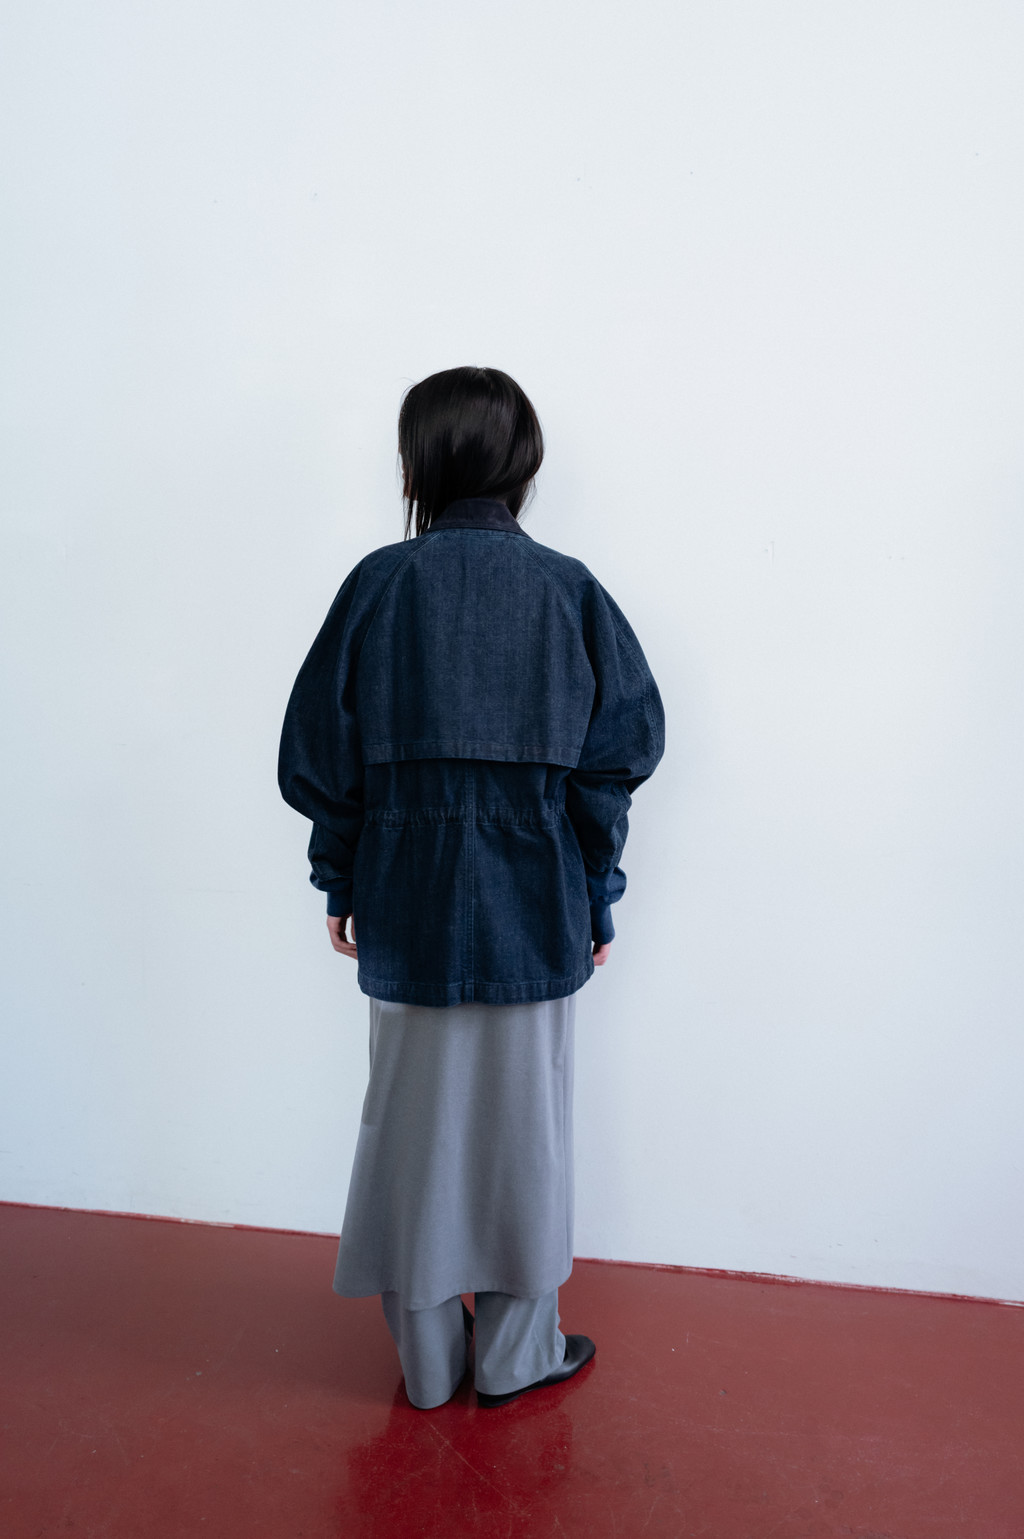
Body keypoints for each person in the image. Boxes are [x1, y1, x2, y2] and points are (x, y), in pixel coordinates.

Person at [278, 366, 664, 1410]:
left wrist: (340, 877)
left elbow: (321, 757)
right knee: (524, 1136)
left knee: (410, 1133)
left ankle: (429, 1361)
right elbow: (614, 761)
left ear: (416, 468)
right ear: (522, 468)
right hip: (537, 906)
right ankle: (515, 1355)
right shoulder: (569, 592)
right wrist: (596, 892)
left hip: (404, 905)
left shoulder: (377, 586)